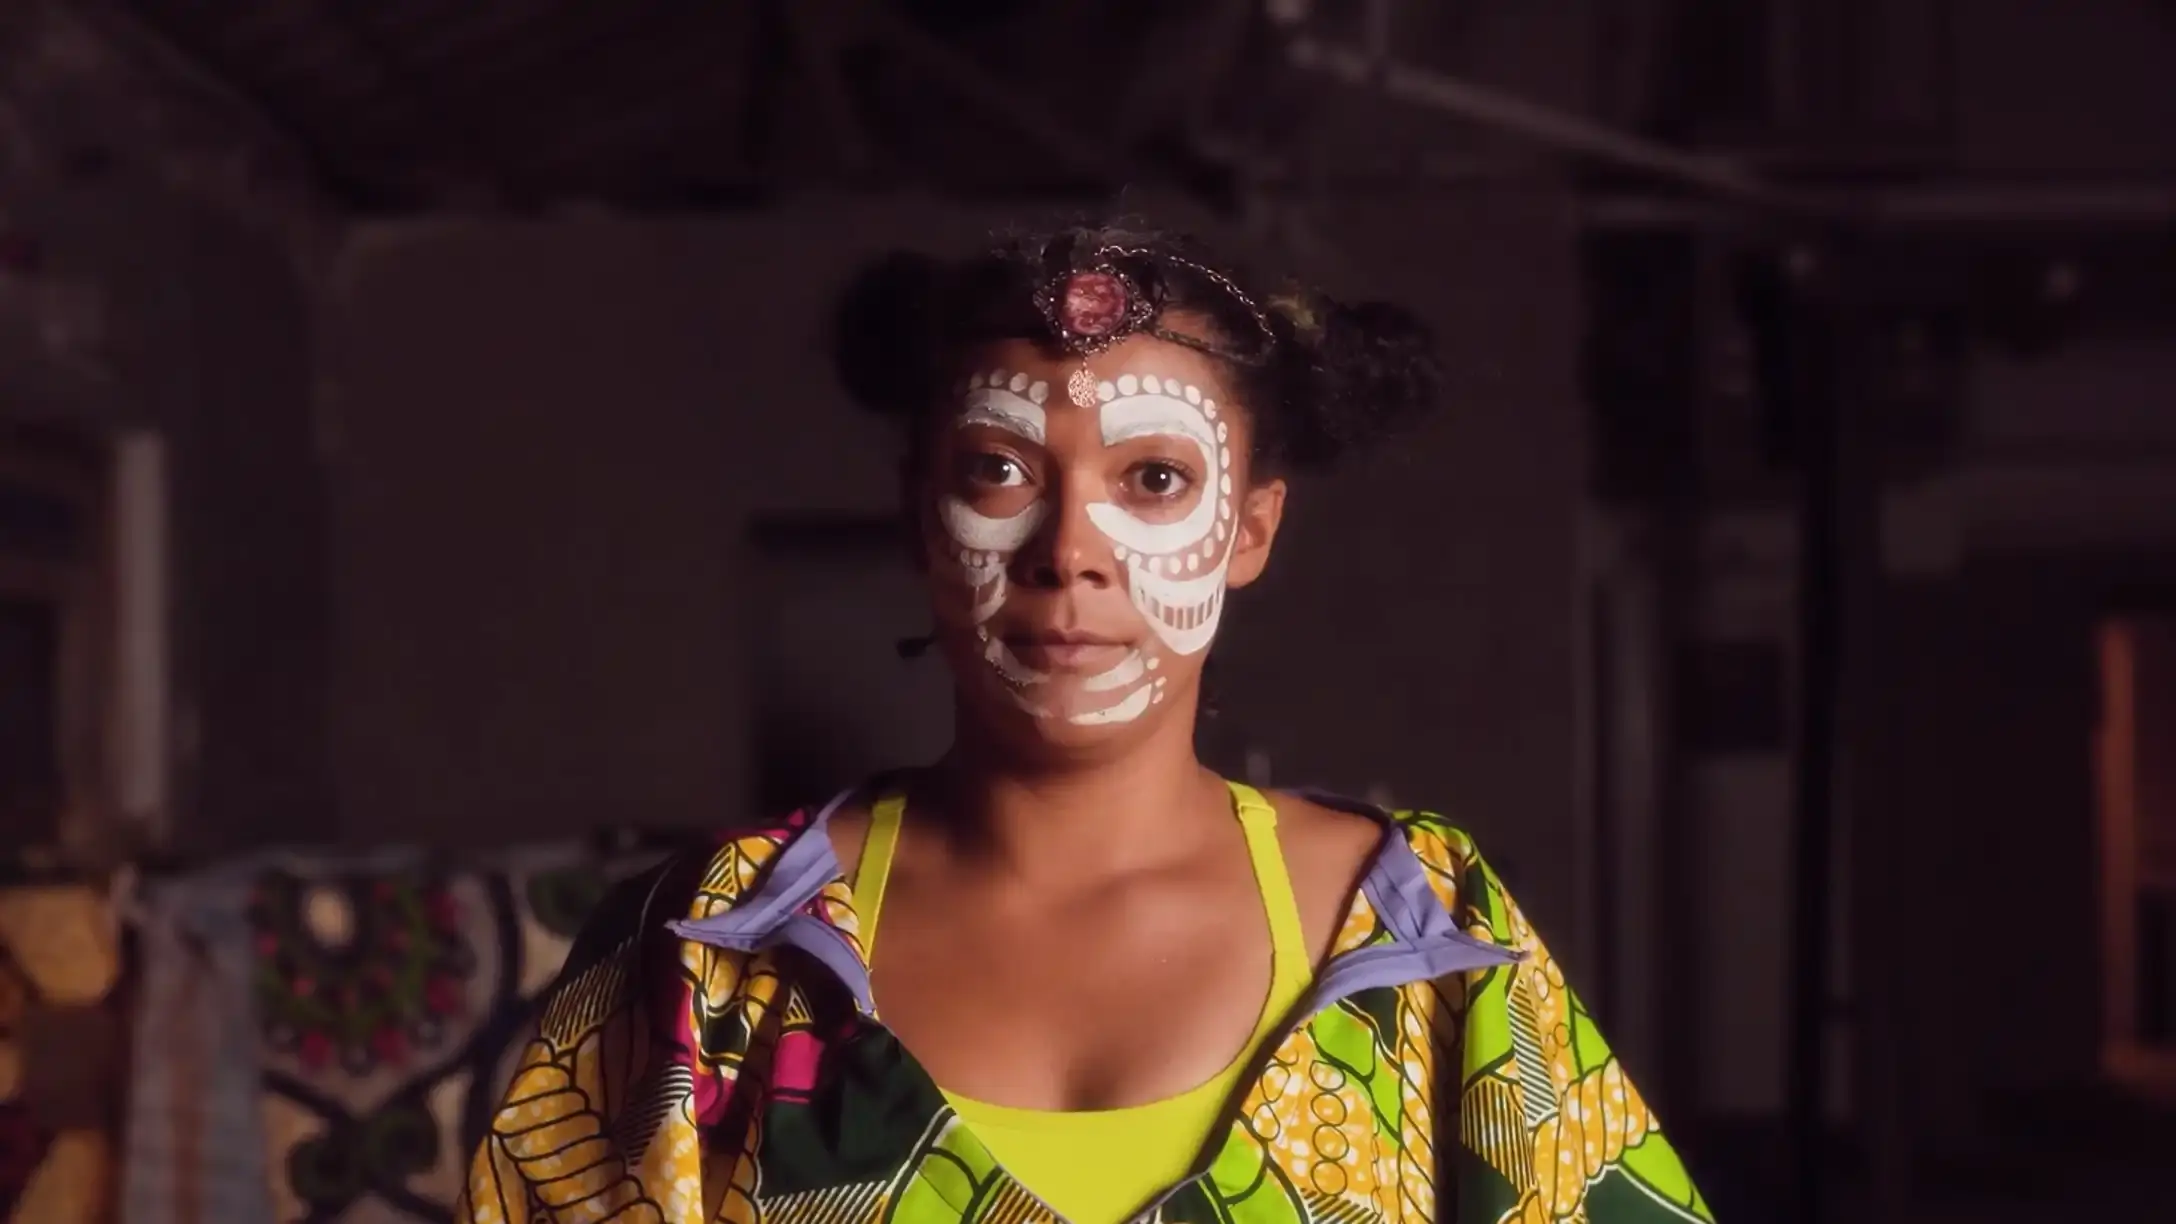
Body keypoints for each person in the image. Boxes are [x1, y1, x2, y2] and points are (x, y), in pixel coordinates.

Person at [458, 225, 1712, 1224]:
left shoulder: (1421, 933)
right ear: (918, 518)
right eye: (998, 471)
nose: (1069, 553)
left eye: (1153, 480)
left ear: (1254, 530)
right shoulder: (714, 946)